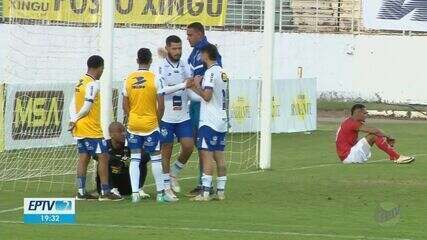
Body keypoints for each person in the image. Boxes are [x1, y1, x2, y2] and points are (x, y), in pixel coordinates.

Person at [122, 48, 194, 203]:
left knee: (135, 158)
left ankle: (135, 194)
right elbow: (161, 105)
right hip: (150, 124)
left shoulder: (128, 78)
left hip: (134, 124)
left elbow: (124, 105)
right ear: (150, 61)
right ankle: (161, 194)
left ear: (137, 60)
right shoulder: (155, 78)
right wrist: (157, 120)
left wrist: (133, 116)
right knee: (155, 158)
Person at [69, 55, 122, 201]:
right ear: (99, 68)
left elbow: (72, 104)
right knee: (103, 157)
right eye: (103, 68)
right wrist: (74, 119)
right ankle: (105, 192)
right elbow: (87, 107)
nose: (103, 71)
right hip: (91, 129)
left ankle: (81, 192)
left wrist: (73, 120)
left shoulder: (80, 82)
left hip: (80, 128)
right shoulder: (93, 84)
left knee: (83, 157)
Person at [154, 35, 195, 199]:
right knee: (166, 151)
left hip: (183, 114)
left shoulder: (185, 64)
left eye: (180, 48)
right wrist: (182, 85)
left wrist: (192, 91)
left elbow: (190, 83)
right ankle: (166, 188)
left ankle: (174, 173)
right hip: (167, 116)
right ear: (168, 48)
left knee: (189, 146)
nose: (177, 51)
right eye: (174, 48)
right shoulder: (160, 66)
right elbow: (162, 90)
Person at [186, 22, 223, 196]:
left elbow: (203, 81)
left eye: (190, 35)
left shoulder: (207, 53)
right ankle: (211, 186)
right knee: (204, 146)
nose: (188, 38)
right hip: (199, 105)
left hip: (204, 106)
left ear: (200, 33)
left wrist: (194, 86)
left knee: (205, 147)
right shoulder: (195, 53)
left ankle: (205, 186)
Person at [190, 44, 229, 201]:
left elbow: (206, 96)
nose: (200, 57)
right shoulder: (224, 72)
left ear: (206, 55)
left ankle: (205, 193)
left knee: (207, 156)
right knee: (219, 156)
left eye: (201, 54)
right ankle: (220, 192)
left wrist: (196, 86)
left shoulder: (210, 72)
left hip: (210, 121)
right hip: (222, 119)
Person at [336, 104, 415, 164]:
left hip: (348, 155)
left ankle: (393, 156)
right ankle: (397, 157)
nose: (366, 115)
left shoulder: (349, 121)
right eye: (364, 113)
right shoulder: (353, 123)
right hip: (349, 156)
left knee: (374, 135)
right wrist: (388, 136)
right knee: (374, 135)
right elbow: (375, 131)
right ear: (358, 113)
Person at [95, 122, 150, 198]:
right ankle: (110, 190)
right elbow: (95, 156)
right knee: (103, 161)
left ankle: (138, 189)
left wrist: (132, 160)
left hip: (128, 184)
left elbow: (146, 156)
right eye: (120, 131)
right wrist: (120, 161)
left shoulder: (131, 143)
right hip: (112, 180)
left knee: (141, 162)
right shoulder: (104, 145)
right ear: (111, 135)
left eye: (124, 131)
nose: (124, 134)